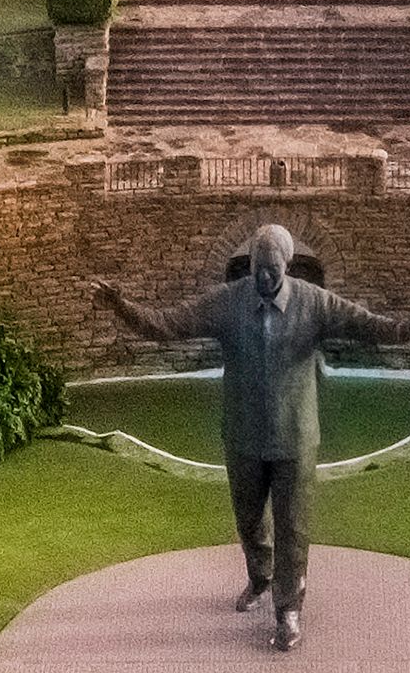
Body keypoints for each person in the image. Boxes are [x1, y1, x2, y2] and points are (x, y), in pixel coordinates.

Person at [103, 225, 386, 647]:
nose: (265, 277)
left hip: (295, 438)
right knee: (250, 520)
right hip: (244, 437)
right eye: (259, 268)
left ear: (287, 266)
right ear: (250, 264)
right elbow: (166, 325)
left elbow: (369, 326)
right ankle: (260, 577)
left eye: (273, 269)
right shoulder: (227, 302)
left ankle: (288, 611)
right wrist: (121, 306)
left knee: (294, 527)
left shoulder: (314, 303)